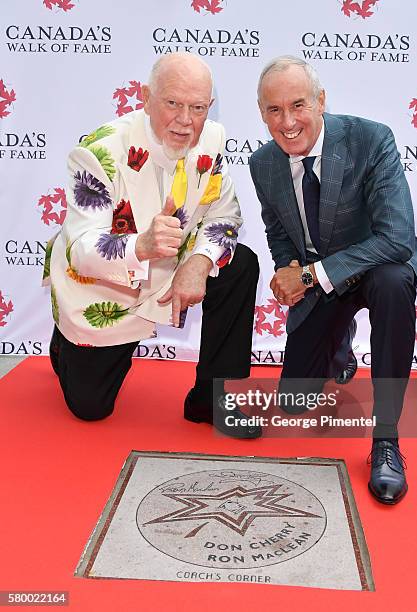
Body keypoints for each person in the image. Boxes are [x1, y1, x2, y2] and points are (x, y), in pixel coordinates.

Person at [44, 52, 260, 439]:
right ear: (146, 97)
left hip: (173, 267)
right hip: (105, 288)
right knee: (91, 408)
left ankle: (212, 399)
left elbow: (225, 214)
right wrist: (140, 246)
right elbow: (82, 246)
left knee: (240, 263)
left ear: (209, 107)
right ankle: (64, 346)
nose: (184, 120)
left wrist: (199, 260)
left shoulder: (211, 139)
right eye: (173, 103)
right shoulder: (98, 153)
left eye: (197, 107)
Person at [249, 56, 417, 504]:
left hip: (373, 267)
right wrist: (289, 269)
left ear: (321, 102)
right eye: (273, 110)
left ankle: (386, 441)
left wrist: (310, 274)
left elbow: (398, 237)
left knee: (392, 282)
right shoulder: (263, 163)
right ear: (261, 111)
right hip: (319, 282)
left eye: (298, 105)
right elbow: (278, 230)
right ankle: (340, 341)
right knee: (294, 403)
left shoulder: (371, 139)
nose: (287, 122)